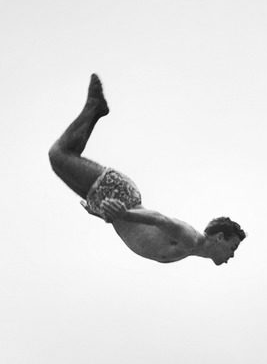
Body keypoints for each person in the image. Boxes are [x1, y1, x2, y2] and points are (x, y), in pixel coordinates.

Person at [48, 74, 246, 265]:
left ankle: (95, 109)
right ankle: (94, 106)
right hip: (121, 197)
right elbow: (160, 219)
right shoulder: (191, 238)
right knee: (59, 155)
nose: (232, 255)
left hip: (111, 203)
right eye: (233, 247)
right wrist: (124, 214)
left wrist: (106, 213)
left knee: (63, 158)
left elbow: (139, 231)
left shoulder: (188, 250)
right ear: (220, 237)